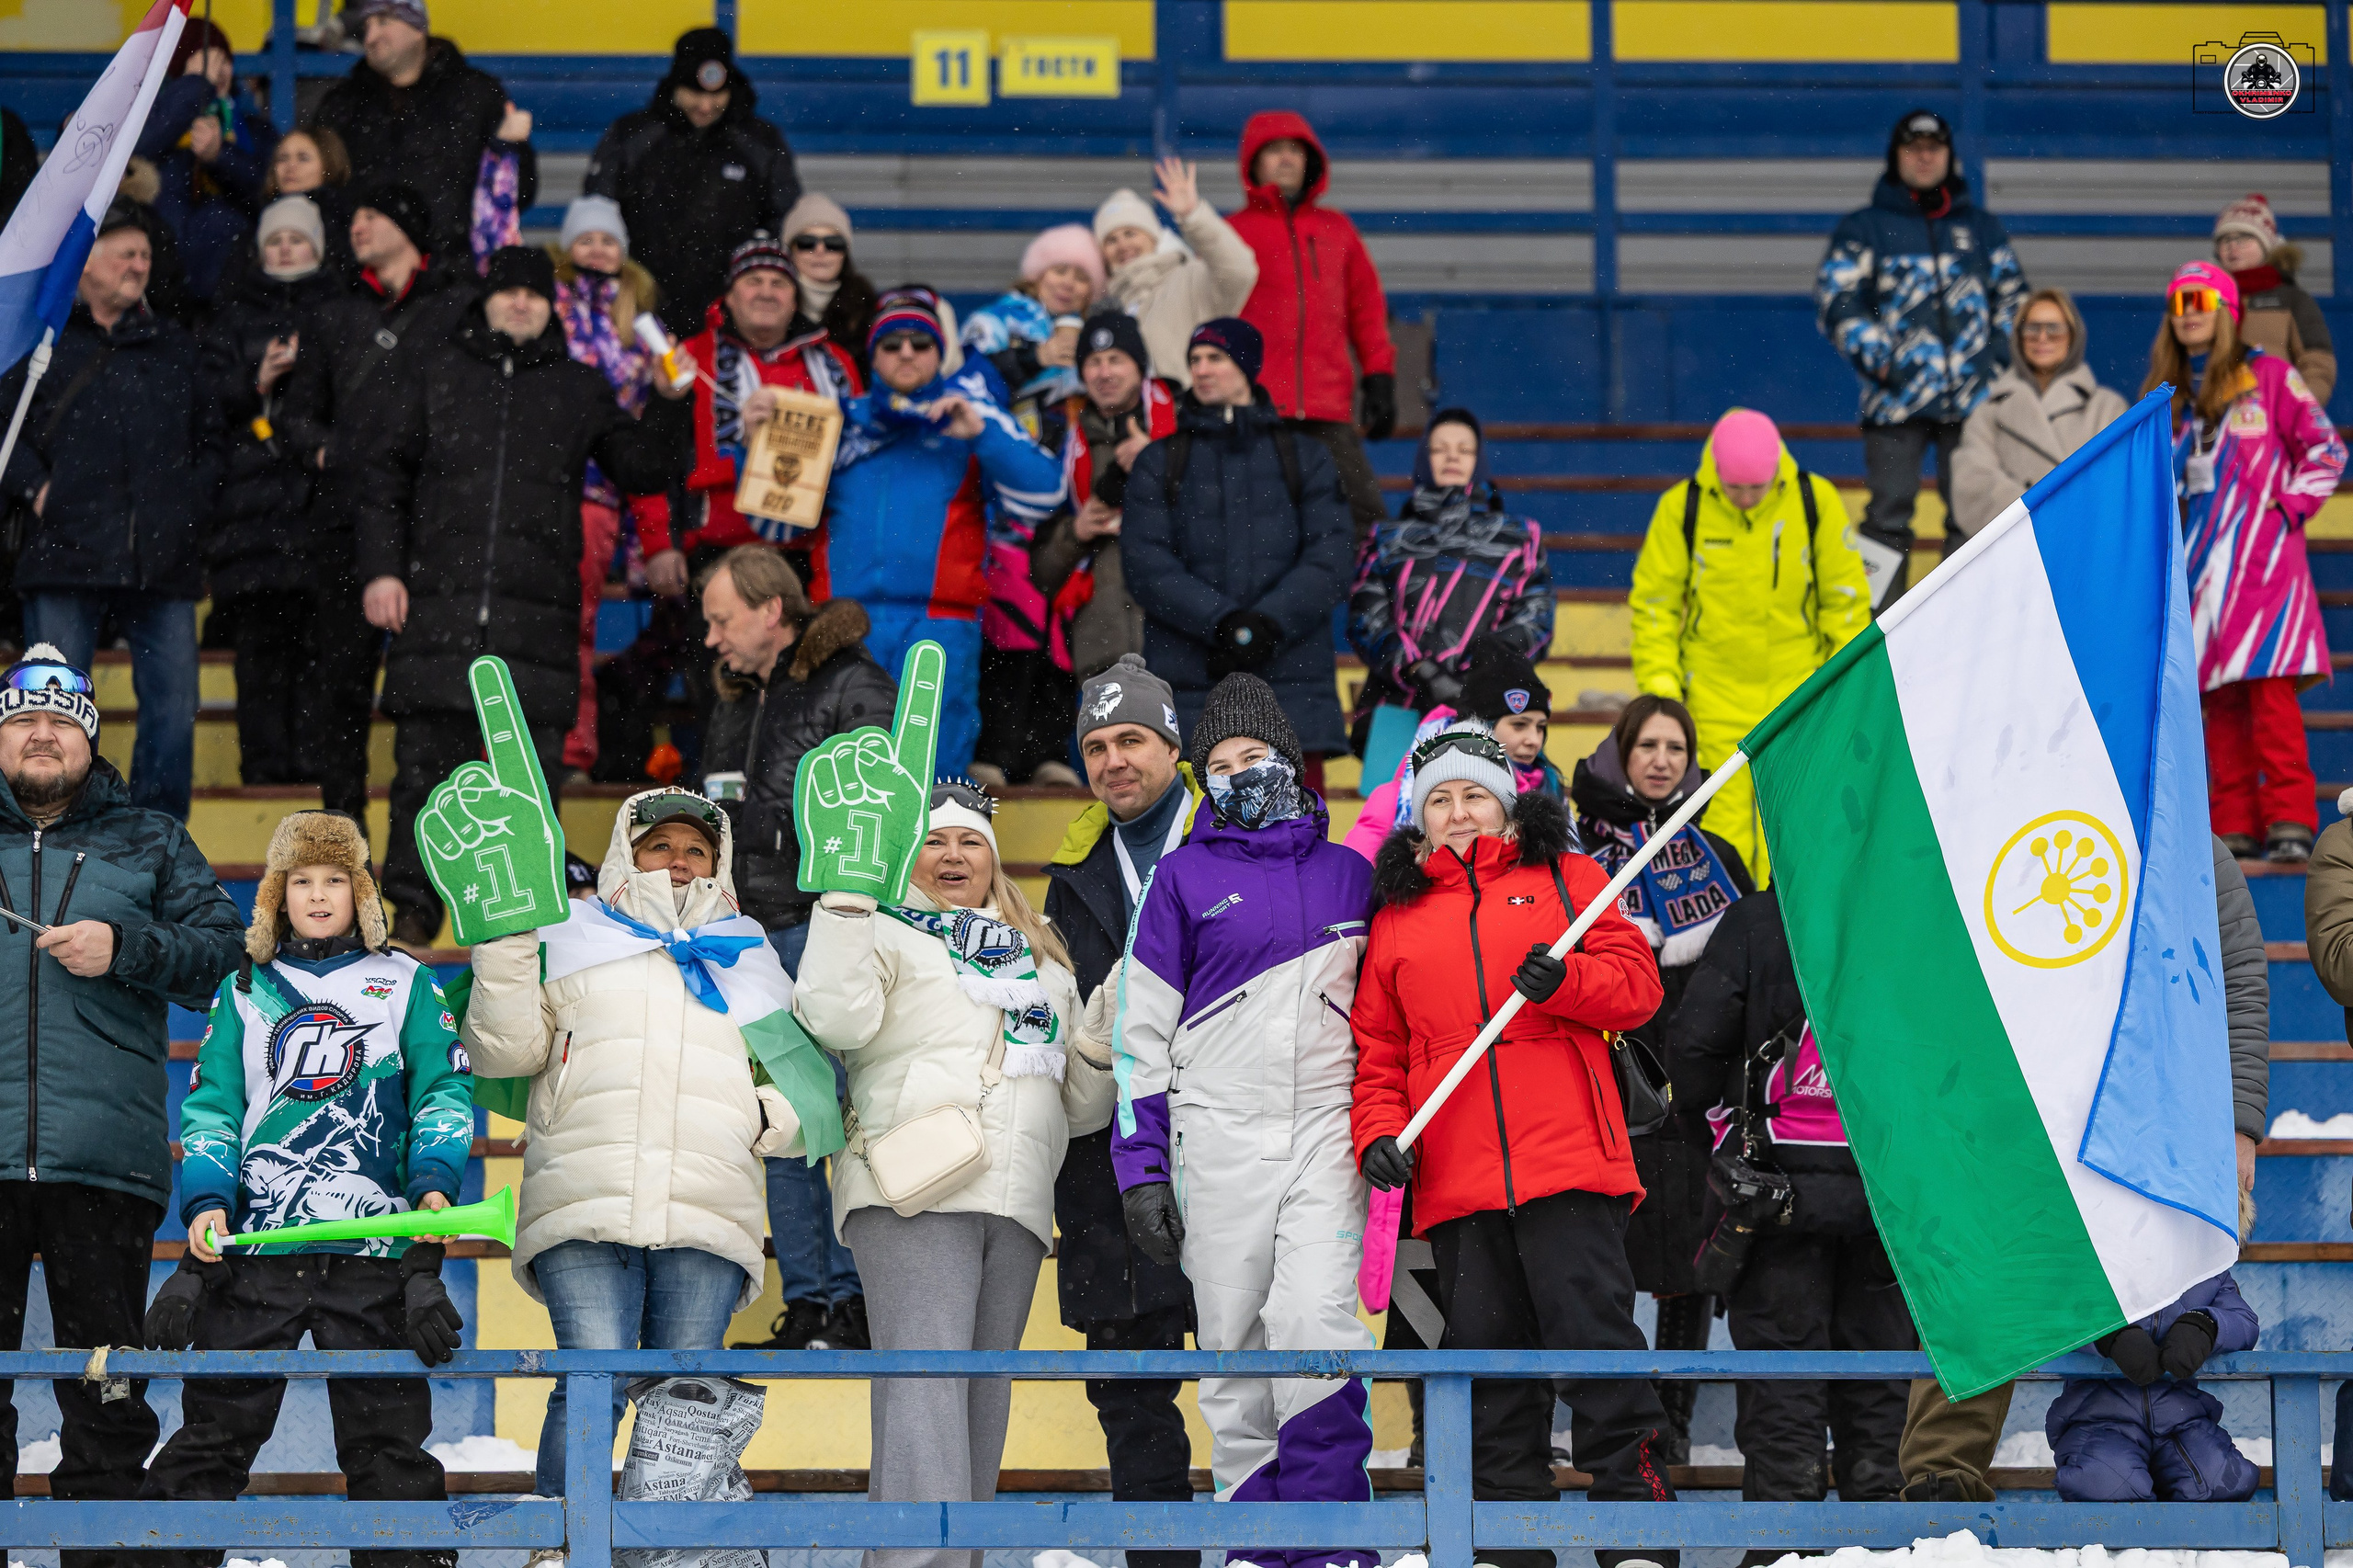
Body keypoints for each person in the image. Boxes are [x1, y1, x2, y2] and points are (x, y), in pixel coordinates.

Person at [1352, 722, 1677, 1568]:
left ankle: (1635, 1527)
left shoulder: (1569, 878)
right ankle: (1508, 1543)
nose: (1459, 814)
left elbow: (1638, 990)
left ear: (1507, 801)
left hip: (1569, 1159)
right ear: (1418, 819)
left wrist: (1568, 982)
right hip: (1456, 1179)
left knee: (1595, 1346)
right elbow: (1379, 1051)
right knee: (1491, 1374)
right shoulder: (1397, 916)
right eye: (1440, 802)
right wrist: (1378, 1135)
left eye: (1474, 795)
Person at [141, 809, 473, 1568]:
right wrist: (209, 1206)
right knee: (211, 1441)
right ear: (275, 896)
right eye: (301, 881)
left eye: (335, 881)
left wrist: (430, 1194)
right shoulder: (245, 988)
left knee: (388, 1452)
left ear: (361, 893)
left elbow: (443, 1099)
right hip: (258, 1251)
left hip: (374, 1254)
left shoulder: (406, 982)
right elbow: (213, 1107)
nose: (318, 896)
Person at [794, 781, 1113, 1568]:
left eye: (970, 842)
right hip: (917, 1190)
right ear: (909, 856)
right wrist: (842, 912)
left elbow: (1076, 1111)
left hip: (1015, 1200)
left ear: (994, 858)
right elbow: (833, 1018)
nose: (952, 856)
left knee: (979, 1393)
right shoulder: (882, 930)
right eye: (934, 842)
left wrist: (1100, 1053)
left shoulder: (1043, 957)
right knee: (926, 1388)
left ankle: (956, 1559)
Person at [1899, 835, 2269, 1501]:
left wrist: (2240, 1121)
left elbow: (2237, 978)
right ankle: (1942, 1473)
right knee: (1985, 1263)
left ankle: (2160, 1443)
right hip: (2020, 1098)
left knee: (2159, 1276)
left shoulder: (2188, 829)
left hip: (2153, 1109)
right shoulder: (2012, 800)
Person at [460, 789, 808, 1498]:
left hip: (707, 1205)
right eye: (660, 846)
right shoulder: (565, 937)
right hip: (581, 1194)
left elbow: (799, 1083)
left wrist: (770, 1113)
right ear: (628, 851)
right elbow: (504, 1053)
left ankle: (670, 1553)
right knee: (594, 1380)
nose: (678, 863)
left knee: (686, 1400)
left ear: (720, 863)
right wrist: (504, 949)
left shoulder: (748, 954)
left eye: (696, 850)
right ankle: (565, 1546)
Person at [353, 244, 690, 945]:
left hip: (537, 618)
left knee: (531, 781)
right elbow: (381, 478)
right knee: (423, 770)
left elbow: (642, 465)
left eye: (534, 294)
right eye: (508, 291)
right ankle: (414, 904)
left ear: (549, 306)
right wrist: (382, 571)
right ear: (487, 299)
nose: (521, 303)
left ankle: (525, 915)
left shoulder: (579, 386)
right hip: (438, 607)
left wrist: (666, 402)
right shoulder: (435, 373)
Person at [1112, 674, 1378, 1561]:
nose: (1236, 775)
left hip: (1325, 1133)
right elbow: (1139, 1038)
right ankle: (1259, 1548)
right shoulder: (1181, 876)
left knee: (1312, 1323)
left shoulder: (1353, 876)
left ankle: (1331, 1542)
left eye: (1253, 758)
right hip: (1215, 1136)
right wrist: (1142, 1171)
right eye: (1218, 765)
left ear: (1290, 763)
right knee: (1233, 1352)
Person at [0, 645, 244, 1531]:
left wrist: (126, 948)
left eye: (62, 720)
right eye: (23, 718)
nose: (41, 734)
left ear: (90, 740)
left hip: (106, 1167)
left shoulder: (152, 839)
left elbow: (226, 957)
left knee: (106, 1407)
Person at [693, 545, 895, 1352]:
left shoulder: (855, 684)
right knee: (780, 1124)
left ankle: (855, 1302)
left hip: (827, 928)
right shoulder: (737, 699)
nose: (712, 639)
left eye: (722, 618)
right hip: (750, 936)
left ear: (772, 610)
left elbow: (882, 811)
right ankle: (808, 1302)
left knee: (842, 1115)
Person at [1668, 887, 1910, 1545]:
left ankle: (1785, 1545)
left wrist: (1726, 1154)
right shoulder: (1916, 911)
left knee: (1783, 1384)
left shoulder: (1755, 920)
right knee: (1881, 1382)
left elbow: (1691, 1056)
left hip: (1772, 1198)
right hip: (1889, 1194)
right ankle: (1880, 1544)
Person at [1041, 655, 1200, 1568]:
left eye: (1130, 739)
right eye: (1096, 745)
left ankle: (1287, 1550)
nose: (1112, 759)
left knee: (1257, 1373)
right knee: (1130, 1382)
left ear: (1171, 746)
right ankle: (1161, 1559)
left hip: (1227, 1133)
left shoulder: (1230, 834)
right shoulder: (1071, 866)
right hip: (1110, 1151)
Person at [1570, 695, 1752, 1463]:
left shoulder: (1722, 854)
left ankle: (1672, 1422)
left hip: (1698, 1092)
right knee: (1609, 1260)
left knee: (1688, 1260)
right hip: (1608, 1085)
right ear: (1621, 752)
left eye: (1676, 747)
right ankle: (1618, 1420)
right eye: (1646, 745)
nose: (1662, 760)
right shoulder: (1581, 856)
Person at [0, 203, 224, 820]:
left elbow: (213, 442)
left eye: (144, 256)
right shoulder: (42, 342)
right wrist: (38, 489)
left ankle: (155, 839)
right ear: (86, 266)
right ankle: (53, 830)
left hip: (162, 561)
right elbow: (4, 427)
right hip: (63, 553)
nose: (138, 266)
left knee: (175, 710)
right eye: (124, 253)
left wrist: (187, 511)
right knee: (51, 716)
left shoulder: (175, 345)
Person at [273, 180, 478, 824]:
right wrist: (328, 452)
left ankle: (433, 828)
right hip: (342, 522)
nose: (357, 225)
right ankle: (343, 821)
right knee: (342, 679)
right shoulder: (333, 311)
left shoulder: (457, 307)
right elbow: (296, 415)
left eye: (372, 212)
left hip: (433, 522)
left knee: (434, 685)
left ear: (407, 225)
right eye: (353, 215)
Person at [815, 288, 1065, 780]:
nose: (906, 352)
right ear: (873, 356)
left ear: (939, 353)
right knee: (841, 783)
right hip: (843, 622)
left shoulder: (968, 415)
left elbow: (1045, 495)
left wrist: (983, 432)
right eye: (892, 344)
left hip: (939, 625)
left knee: (931, 786)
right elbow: (773, 520)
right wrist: (758, 438)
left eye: (920, 343)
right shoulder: (839, 421)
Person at [2149, 260, 2347, 862]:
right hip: (2200, 573)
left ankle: (2290, 819)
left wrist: (2284, 512)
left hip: (2265, 576)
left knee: (2271, 704)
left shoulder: (2272, 377)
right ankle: (2232, 824)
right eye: (2179, 304)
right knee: (2219, 707)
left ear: (2229, 311)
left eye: (2202, 300)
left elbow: (2326, 450)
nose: (2190, 314)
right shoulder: (2171, 399)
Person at [1628, 407, 1871, 882]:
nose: (1744, 498)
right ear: (1715, 472)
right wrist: (1662, 692)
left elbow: (1845, 603)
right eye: (1734, 488)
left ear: (1776, 472)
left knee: (1801, 824)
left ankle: (1793, 945)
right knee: (1721, 832)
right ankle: (1727, 942)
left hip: (1800, 695)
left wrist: (1844, 685)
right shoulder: (1683, 507)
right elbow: (1654, 606)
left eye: (1755, 489)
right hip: (1711, 699)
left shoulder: (1814, 499)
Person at [1122, 318, 1355, 778]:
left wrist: (1268, 623)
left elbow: (1332, 555)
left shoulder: (1305, 455)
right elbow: (1146, 563)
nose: (1202, 370)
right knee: (1195, 837)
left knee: (1299, 834)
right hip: (1191, 682)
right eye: (1195, 360)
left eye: (1216, 358)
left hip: (1292, 679)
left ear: (1247, 367)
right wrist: (1221, 622)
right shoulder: (1160, 460)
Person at [1816, 108, 2027, 600]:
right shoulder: (1864, 228)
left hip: (1974, 404)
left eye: (1934, 149)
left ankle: (1956, 624)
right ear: (1897, 158)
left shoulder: (1981, 229)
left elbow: (2014, 299)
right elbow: (1835, 297)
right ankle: (1878, 633)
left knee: (1971, 515)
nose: (1925, 158)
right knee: (1887, 516)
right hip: (1896, 402)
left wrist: (1992, 366)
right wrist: (1882, 360)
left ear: (1950, 157)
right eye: (1914, 149)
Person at [201, 197, 347, 788]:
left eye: (298, 239)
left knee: (317, 651)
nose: (286, 248)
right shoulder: (231, 317)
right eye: (275, 240)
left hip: (318, 512)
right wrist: (255, 382)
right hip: (250, 515)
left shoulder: (342, 312)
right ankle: (263, 770)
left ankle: (311, 767)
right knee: (260, 654)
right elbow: (205, 402)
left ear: (318, 248)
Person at [646, 233, 864, 603]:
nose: (766, 292)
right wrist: (658, 544)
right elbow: (652, 457)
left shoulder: (836, 363)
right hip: (719, 555)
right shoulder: (689, 359)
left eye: (779, 283)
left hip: (812, 559)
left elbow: (862, 461)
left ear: (795, 299)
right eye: (752, 281)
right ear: (729, 296)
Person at [547, 194, 670, 779]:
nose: (597, 249)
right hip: (540, 484)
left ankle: (574, 749)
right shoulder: (547, 302)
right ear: (567, 247)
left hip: (600, 496)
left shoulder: (640, 321)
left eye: (609, 240)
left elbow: (660, 410)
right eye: (585, 238)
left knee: (577, 623)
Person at [1229, 111, 1395, 531]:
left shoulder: (1338, 229)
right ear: (1253, 162)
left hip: (1327, 411)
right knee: (1258, 533)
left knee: (1365, 526)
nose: (1285, 159)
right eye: (1273, 150)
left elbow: (1367, 308)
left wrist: (1379, 377)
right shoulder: (1230, 233)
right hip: (1256, 413)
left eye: (1294, 150)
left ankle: (1369, 601)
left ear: (1310, 161)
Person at [585, 28, 802, 342]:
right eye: (694, 93)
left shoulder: (760, 142)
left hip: (731, 317)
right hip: (642, 309)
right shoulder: (633, 136)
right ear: (674, 87)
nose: (705, 105)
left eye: (716, 95)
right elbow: (598, 216)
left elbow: (785, 222)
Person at [1347, 406, 1553, 729]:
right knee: (1392, 783)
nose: (1452, 458)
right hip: (1398, 708)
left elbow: (1536, 620)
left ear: (1479, 461)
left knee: (1482, 783)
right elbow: (1366, 620)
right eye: (1439, 449)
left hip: (1490, 708)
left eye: (1465, 450)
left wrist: (1482, 673)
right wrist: (1420, 671)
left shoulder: (1518, 538)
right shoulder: (1388, 538)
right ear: (1422, 459)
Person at [313, 0, 536, 256]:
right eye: (366, 26)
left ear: (418, 26)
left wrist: (509, 151)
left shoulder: (475, 95)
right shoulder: (342, 104)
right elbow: (321, 193)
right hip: (362, 278)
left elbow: (519, 193)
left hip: (454, 275)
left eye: (384, 21)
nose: (371, 36)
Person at [1029, 312, 1176, 687]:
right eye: (1093, 362)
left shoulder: (1184, 425)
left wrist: (1161, 462)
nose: (1104, 373)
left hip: (1178, 642)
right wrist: (1074, 532)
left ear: (1140, 366)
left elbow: (1221, 522)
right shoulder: (1061, 447)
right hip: (1102, 652)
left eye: (1116, 359)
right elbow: (1040, 573)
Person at [2045, 1273, 2259, 1503]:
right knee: (2106, 1486)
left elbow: (2243, 1320)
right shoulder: (2090, 1257)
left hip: (2181, 1417)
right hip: (2099, 1418)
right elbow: (2050, 1312)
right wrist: (2107, 1334)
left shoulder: (2205, 1265)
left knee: (2224, 1483)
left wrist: (2205, 1324)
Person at [1343, 639, 1563, 860]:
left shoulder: (1550, 792)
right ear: (1480, 726)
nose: (1534, 740)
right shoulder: (1392, 800)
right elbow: (1358, 883)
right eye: (1519, 725)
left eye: (1541, 727)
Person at [1949, 287, 2129, 537]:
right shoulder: (1988, 412)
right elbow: (1973, 485)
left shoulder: (2108, 408)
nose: (2042, 338)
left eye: (2054, 329)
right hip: (2011, 550)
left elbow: (2115, 487)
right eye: (2032, 328)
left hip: (2081, 548)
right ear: (2018, 337)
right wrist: (2035, 515)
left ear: (2073, 335)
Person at [133, 18, 276, 302]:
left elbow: (268, 189)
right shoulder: (150, 123)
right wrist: (194, 89)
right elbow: (137, 153)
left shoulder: (255, 129)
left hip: (232, 285)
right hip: (161, 283)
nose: (218, 72)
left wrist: (220, 156)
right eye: (204, 62)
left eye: (224, 61)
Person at [1095, 158, 1259, 393]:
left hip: (1189, 422)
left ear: (1153, 237)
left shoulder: (1189, 279)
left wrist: (1193, 216)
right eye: (1111, 239)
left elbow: (1240, 271)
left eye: (1130, 233)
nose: (1122, 245)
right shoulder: (1106, 308)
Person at [963, 224, 1105, 426]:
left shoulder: (1095, 335)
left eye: (1081, 278)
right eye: (1059, 270)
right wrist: (1035, 357)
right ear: (1038, 275)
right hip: (1007, 449)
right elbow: (968, 381)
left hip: (1073, 452)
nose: (1068, 283)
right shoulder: (994, 321)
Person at [2214, 193, 2336, 405]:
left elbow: (2317, 364)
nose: (2233, 247)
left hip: (2273, 421)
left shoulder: (2292, 299)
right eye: (2225, 240)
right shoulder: (2209, 297)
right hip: (2216, 423)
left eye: (2243, 239)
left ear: (2266, 245)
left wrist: (2297, 412)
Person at [781, 192, 877, 361]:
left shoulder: (868, 307)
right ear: (790, 251)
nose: (820, 251)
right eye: (807, 243)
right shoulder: (771, 304)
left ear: (845, 253)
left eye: (833, 244)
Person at [257, 128, 357, 283]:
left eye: (303, 158)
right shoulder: (256, 217)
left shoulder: (343, 222)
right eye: (283, 158)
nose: (290, 166)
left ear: (328, 164)